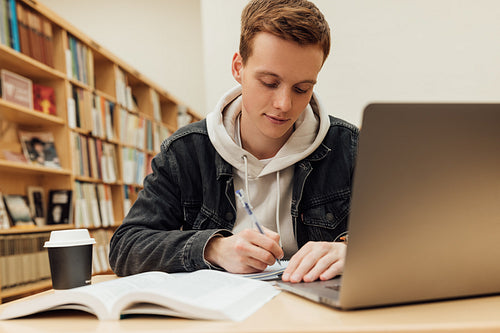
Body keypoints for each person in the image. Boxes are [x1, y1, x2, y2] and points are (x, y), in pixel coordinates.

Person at [109, 0, 358, 283]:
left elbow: (408, 235)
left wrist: (352, 251)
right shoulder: (185, 152)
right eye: (269, 82)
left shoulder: (349, 147)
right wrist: (212, 248)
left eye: (302, 89)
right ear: (238, 67)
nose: (284, 104)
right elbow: (126, 247)